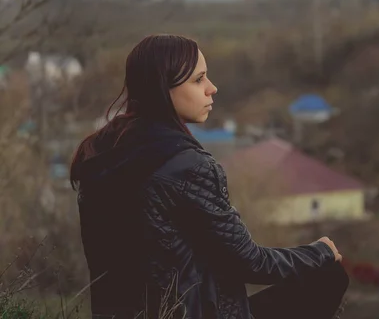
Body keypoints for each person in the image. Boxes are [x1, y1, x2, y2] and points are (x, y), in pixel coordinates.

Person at [70, 35, 349, 319]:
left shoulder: (101, 155)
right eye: (198, 79)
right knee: (329, 275)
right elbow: (251, 263)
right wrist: (320, 252)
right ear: (162, 88)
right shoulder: (186, 166)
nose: (212, 89)